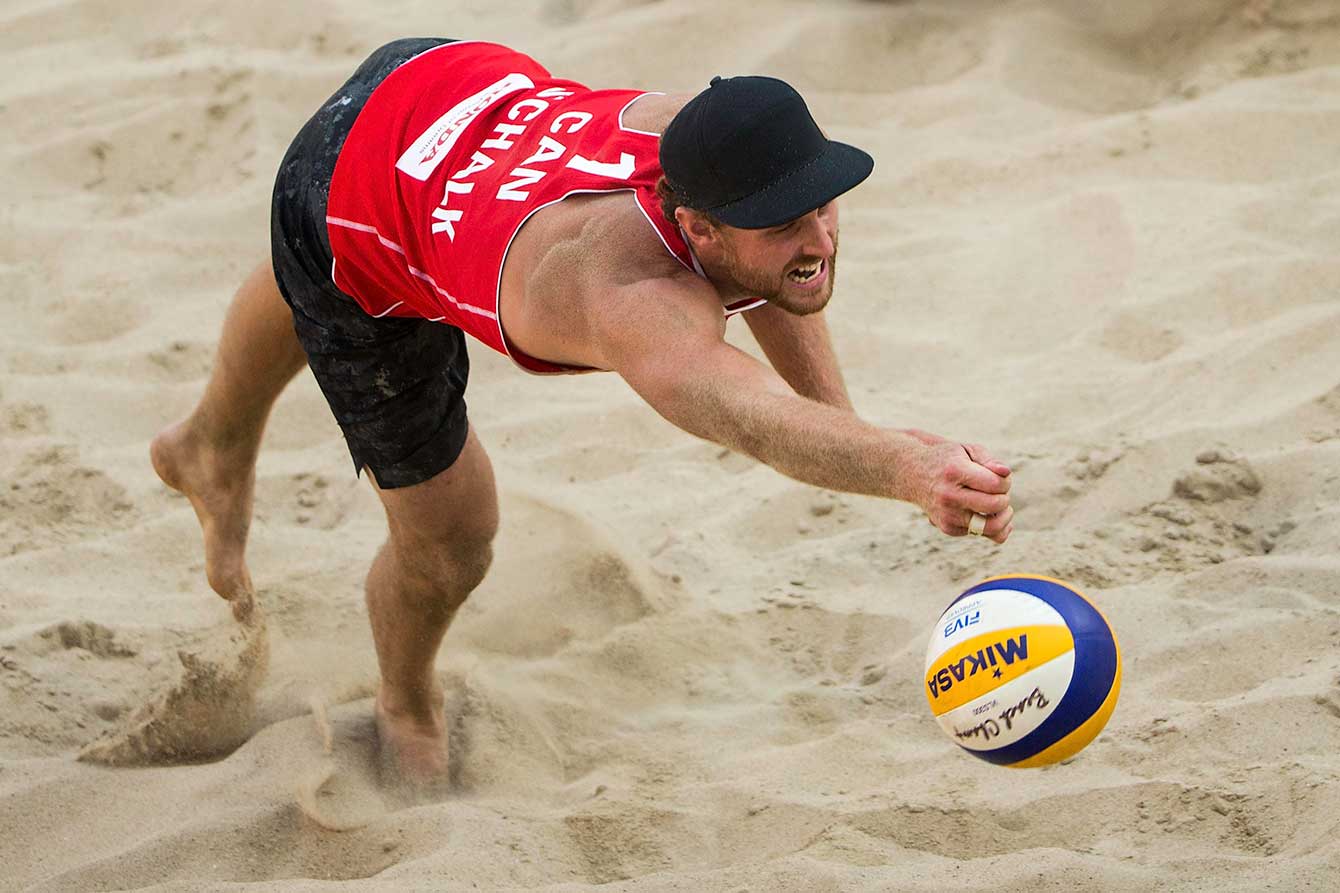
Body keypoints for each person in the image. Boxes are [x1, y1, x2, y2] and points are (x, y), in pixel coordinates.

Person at [150, 38, 1014, 784]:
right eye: (784, 223)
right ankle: (405, 701)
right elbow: (751, 415)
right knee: (453, 538)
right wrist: (906, 467)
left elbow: (779, 280)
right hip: (346, 190)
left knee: (336, 262)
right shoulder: (625, 294)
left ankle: (208, 442)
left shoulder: (707, 141)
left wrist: (850, 428)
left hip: (442, 79)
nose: (820, 238)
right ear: (698, 230)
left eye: (822, 202)